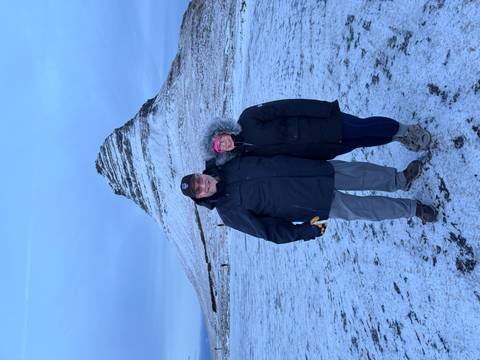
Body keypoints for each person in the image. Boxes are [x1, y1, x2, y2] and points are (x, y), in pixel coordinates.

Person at [180, 156, 437, 244]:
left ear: (200, 174)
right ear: (201, 198)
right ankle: (413, 209)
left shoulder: (232, 163)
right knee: (368, 209)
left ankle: (401, 180)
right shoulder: (229, 214)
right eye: (199, 190)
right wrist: (304, 231)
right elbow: (269, 232)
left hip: (312, 170)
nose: (203, 185)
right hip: (314, 202)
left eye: (198, 180)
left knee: (362, 174)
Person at [203, 99, 431, 165]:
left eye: (219, 140)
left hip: (322, 124)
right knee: (362, 141)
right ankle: (396, 137)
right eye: (219, 149)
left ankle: (406, 130)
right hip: (318, 149)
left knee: (363, 127)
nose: (223, 145)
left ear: (222, 132)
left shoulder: (248, 118)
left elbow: (287, 107)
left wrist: (323, 110)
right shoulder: (247, 156)